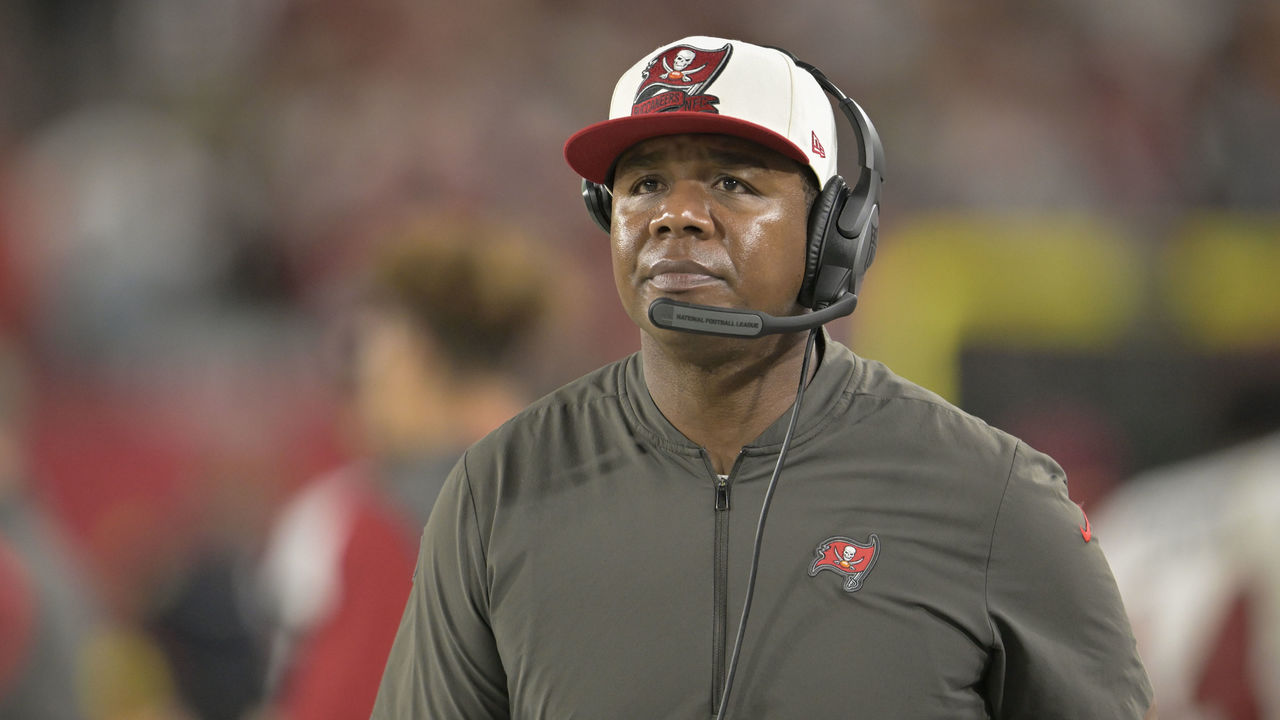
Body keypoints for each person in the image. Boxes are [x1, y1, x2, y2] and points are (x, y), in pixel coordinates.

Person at [372, 36, 1154, 718]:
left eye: (732, 183)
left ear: (834, 233)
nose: (675, 214)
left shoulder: (994, 498)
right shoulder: (498, 490)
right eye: (643, 184)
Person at [257, 212, 556, 720]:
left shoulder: (387, 515)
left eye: (371, 353)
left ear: (415, 356)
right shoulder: (594, 480)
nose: (363, 385)